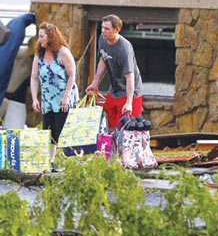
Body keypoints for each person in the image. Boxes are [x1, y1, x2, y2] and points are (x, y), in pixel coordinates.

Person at [30, 22, 79, 170]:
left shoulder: (62, 52)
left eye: (42, 36)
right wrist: (34, 98)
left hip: (63, 99)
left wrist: (66, 97)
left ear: (51, 37)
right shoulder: (39, 55)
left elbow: (72, 76)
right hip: (47, 100)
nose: (40, 40)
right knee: (49, 131)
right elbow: (34, 78)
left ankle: (71, 161)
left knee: (62, 131)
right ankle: (49, 162)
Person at [86, 14, 142, 130]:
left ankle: (121, 147)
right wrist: (95, 83)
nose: (103, 31)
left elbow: (130, 77)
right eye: (102, 27)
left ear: (116, 30)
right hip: (115, 88)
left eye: (107, 29)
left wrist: (129, 102)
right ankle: (110, 147)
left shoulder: (124, 49)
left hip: (130, 91)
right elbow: (103, 60)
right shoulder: (103, 39)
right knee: (109, 118)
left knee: (124, 127)